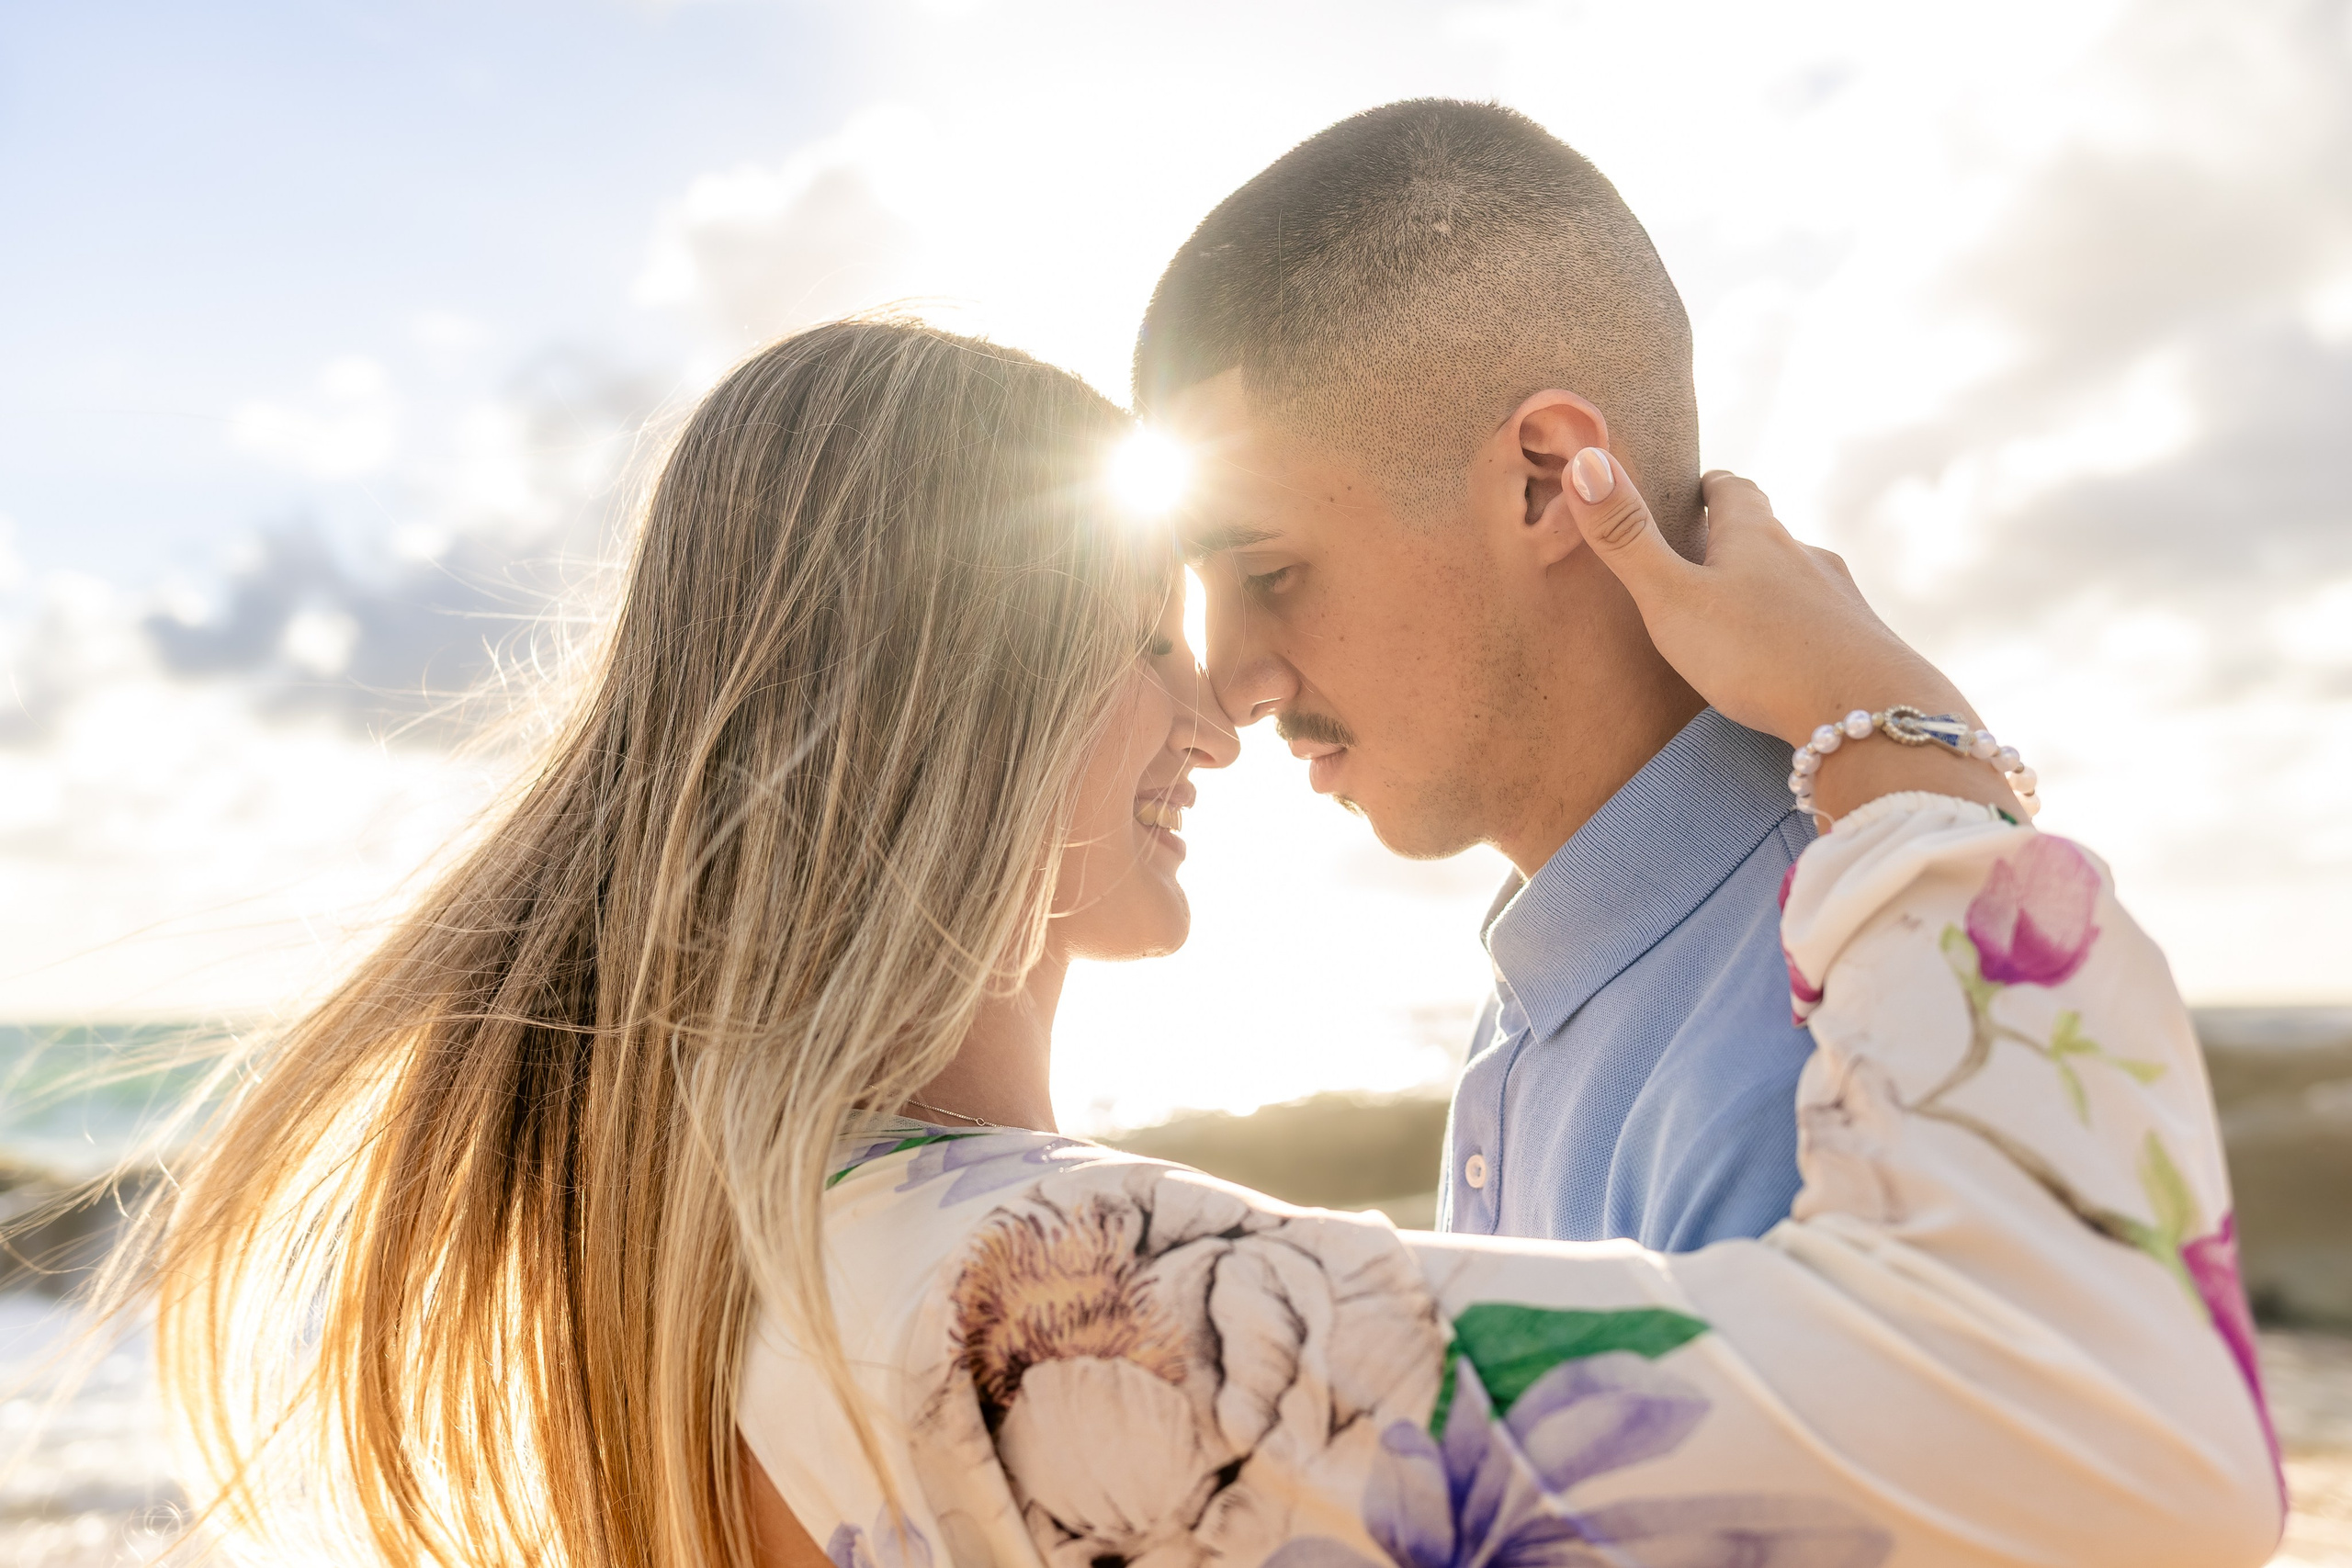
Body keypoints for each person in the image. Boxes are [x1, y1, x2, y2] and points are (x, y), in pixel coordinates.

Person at [123, 319, 2277, 1568]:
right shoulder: (1039, 1310)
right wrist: (1887, 750)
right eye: (1140, 643)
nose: (1216, 704)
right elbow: (2125, 1433)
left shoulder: (764, 1261)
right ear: (940, 694)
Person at [1135, 99, 1841, 1248]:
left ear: (1546, 481)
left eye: (1269, 573)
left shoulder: (1814, 1047)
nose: (1230, 687)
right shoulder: (1559, 970)